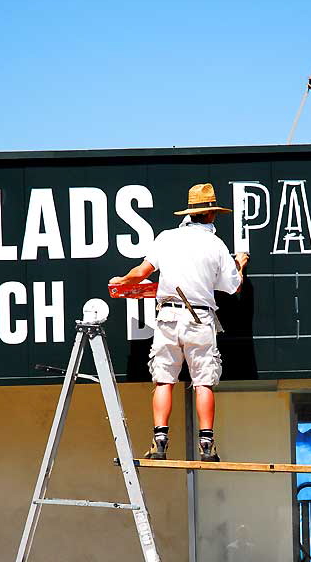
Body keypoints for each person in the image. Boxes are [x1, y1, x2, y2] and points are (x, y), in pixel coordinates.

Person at [109, 183, 249, 462]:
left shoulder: (166, 238)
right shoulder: (215, 244)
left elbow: (141, 272)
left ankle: (159, 442)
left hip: (168, 316)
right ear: (210, 214)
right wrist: (240, 263)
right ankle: (207, 446)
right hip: (199, 317)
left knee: (163, 381)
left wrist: (121, 280)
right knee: (203, 383)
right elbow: (233, 286)